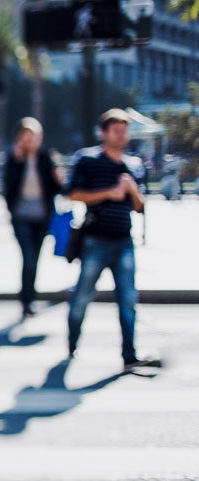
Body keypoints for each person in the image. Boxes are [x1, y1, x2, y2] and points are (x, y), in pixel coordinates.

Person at [66, 109, 158, 371]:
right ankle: (72, 342)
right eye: (116, 130)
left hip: (123, 240)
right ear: (104, 133)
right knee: (82, 297)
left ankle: (129, 353)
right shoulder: (88, 159)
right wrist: (111, 192)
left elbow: (140, 206)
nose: (122, 135)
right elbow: (74, 194)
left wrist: (132, 190)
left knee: (128, 299)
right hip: (95, 240)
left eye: (124, 130)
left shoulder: (134, 165)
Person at [2, 118, 64, 318]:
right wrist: (17, 160)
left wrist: (59, 176)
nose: (29, 141)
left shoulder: (47, 158)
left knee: (35, 259)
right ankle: (25, 300)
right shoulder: (13, 159)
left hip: (42, 217)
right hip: (21, 216)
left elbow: (60, 189)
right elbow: (7, 187)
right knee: (28, 258)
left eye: (33, 137)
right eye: (25, 137)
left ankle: (29, 299)